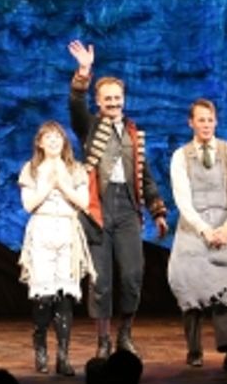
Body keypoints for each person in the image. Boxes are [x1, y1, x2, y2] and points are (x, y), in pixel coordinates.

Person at [67, 40, 169, 358]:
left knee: (132, 275)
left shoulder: (133, 133)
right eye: (107, 98)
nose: (113, 102)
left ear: (123, 100)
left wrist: (158, 212)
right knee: (101, 279)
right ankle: (103, 340)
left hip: (127, 208)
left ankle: (125, 334)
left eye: (117, 98)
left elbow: (145, 176)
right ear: (99, 102)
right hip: (98, 209)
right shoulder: (90, 126)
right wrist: (84, 72)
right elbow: (75, 104)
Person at [168, 99, 227, 371]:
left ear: (216, 121)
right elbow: (182, 199)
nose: (206, 125)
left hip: (224, 225)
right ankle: (194, 349)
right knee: (190, 285)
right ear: (191, 123)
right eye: (200, 120)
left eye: (210, 119)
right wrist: (204, 230)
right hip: (193, 228)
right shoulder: (181, 156)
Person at [19, 122, 95, 377]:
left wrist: (62, 185)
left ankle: (63, 355)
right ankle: (40, 345)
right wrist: (47, 186)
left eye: (57, 137)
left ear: (64, 142)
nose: (53, 141)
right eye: (48, 137)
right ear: (40, 143)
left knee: (65, 296)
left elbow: (84, 202)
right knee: (43, 295)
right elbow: (29, 204)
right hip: (42, 231)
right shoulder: (31, 169)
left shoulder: (75, 169)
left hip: (67, 230)